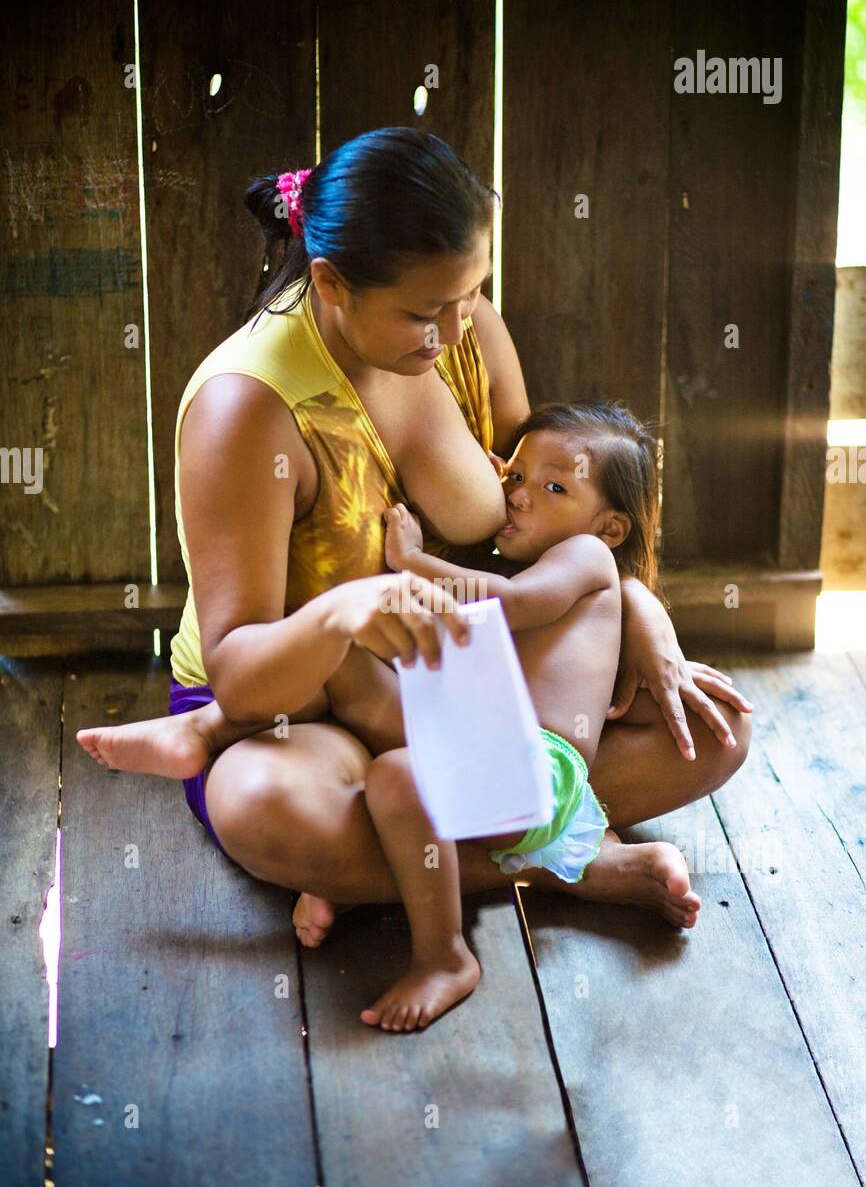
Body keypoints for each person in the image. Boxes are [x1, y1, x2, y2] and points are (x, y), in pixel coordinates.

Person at [76, 127, 753, 973]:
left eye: (471, 293)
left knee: (713, 727)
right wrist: (342, 610)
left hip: (466, 677)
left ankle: (400, 866)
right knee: (266, 809)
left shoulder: (464, 320)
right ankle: (576, 864)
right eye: (425, 313)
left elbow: (553, 525)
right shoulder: (248, 412)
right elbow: (241, 672)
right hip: (304, 713)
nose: (455, 329)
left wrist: (643, 616)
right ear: (331, 283)